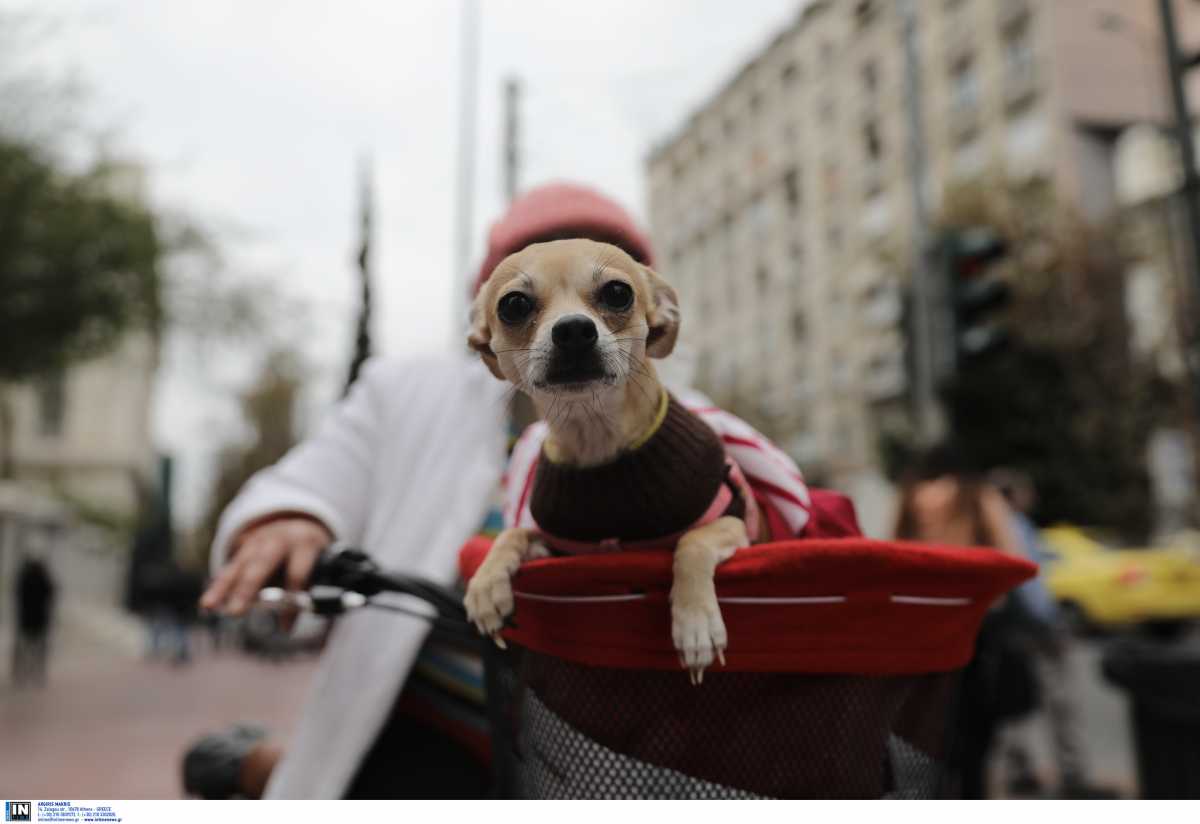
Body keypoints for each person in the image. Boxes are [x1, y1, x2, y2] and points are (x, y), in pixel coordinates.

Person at [195, 182, 659, 799]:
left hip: (607, 749)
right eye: (524, 301)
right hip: (420, 719)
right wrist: (290, 519)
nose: (571, 323)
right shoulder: (407, 391)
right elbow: (312, 479)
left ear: (652, 310)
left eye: (611, 294)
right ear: (483, 320)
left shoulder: (691, 430)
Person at [892, 443, 1029, 799]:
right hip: (979, 626)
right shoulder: (978, 496)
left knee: (933, 733)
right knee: (978, 739)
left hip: (924, 629)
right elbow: (1012, 557)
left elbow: (890, 556)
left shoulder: (908, 498)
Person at [13, 553, 56, 687]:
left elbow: (17, 596)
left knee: (23, 649)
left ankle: (21, 675)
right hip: (40, 620)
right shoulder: (45, 579)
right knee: (39, 650)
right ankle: (37, 675)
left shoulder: (23, 579)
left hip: (25, 619)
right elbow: (51, 596)